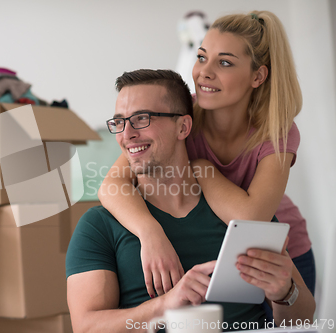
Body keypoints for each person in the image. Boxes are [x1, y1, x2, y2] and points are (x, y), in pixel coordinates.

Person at [66, 69, 315, 332]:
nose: (126, 134)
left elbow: (303, 319)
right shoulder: (99, 225)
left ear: (183, 127)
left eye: (142, 118)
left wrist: (285, 293)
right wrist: (164, 307)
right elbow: (86, 327)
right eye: (119, 122)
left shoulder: (238, 215)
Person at [97, 11, 315, 303]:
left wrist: (202, 169)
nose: (203, 72)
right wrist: (150, 232)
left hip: (271, 252)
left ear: (258, 75)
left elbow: (251, 220)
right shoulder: (181, 118)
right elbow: (111, 186)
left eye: (224, 62)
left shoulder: (276, 131)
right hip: (209, 246)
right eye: (201, 57)